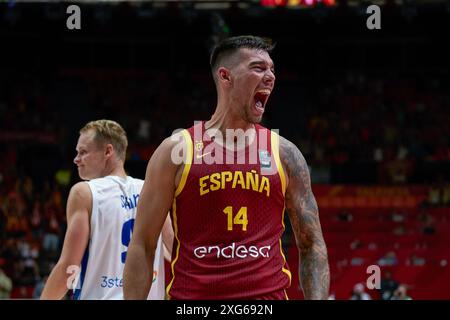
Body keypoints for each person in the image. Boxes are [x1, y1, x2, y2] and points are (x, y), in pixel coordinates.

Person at [124, 36, 329, 300]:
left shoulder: (285, 153)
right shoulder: (176, 151)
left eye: (272, 69)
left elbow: (312, 244)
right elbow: (142, 244)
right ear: (225, 76)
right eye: (258, 67)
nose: (270, 76)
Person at [40, 120, 173, 300]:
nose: (76, 159)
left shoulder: (84, 193)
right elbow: (175, 250)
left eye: (83, 152)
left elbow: (68, 268)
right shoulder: (150, 190)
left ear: (108, 151)